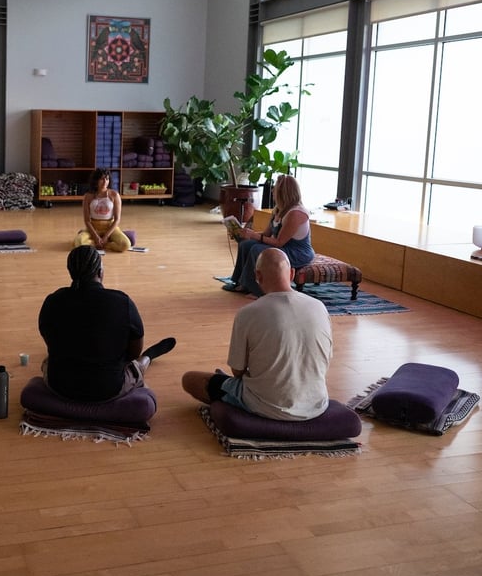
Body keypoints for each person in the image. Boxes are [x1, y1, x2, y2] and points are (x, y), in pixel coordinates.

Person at [183, 248, 331, 421]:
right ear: (291, 274)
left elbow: (237, 371)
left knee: (190, 379)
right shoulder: (319, 307)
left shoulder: (248, 313)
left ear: (258, 276)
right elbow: (324, 360)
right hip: (316, 403)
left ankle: (234, 402)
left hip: (267, 405)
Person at [38, 245, 175, 402]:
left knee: (48, 362)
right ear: (100, 272)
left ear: (70, 273)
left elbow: (49, 339)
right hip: (108, 389)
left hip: (59, 387)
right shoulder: (122, 302)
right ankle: (148, 357)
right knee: (135, 365)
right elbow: (133, 353)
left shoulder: (53, 301)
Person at [225, 173, 314, 296]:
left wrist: (254, 235)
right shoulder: (278, 209)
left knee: (257, 249)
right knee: (246, 244)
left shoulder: (296, 213)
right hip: (283, 247)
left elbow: (279, 242)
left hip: (296, 252)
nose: (272, 190)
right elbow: (266, 234)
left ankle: (257, 290)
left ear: (283, 192)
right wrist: (246, 234)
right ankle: (240, 282)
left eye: (275, 188)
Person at [73, 168, 131, 252]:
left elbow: (117, 219)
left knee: (126, 245)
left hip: (110, 226)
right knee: (79, 242)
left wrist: (106, 236)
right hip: (93, 226)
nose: (105, 181)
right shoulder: (88, 196)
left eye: (107, 179)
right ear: (96, 180)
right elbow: (87, 220)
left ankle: (105, 244)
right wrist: (96, 237)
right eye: (102, 179)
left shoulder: (114, 195)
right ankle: (97, 242)